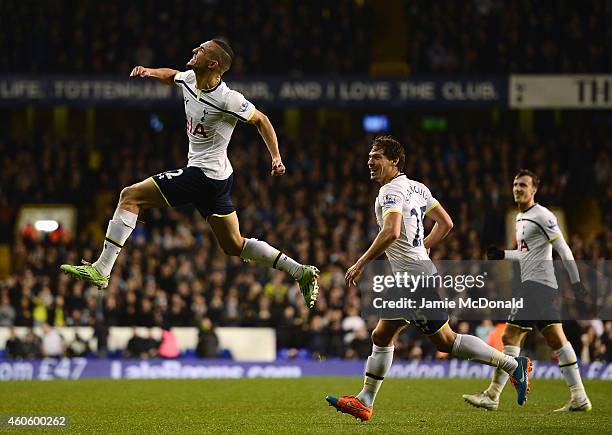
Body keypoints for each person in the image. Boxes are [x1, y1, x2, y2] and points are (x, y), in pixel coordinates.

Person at [60, 39, 319, 308]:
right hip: (219, 179)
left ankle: (102, 269)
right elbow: (172, 75)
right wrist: (149, 71)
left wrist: (276, 158)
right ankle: (300, 271)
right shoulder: (189, 80)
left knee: (130, 196)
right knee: (233, 245)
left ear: (213, 63)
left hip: (202, 176)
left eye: (201, 49)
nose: (195, 50)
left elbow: (261, 120)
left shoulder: (228, 99)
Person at [325, 136, 531, 422]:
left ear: (394, 160)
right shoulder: (418, 188)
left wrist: (361, 262)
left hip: (414, 280)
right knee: (386, 335)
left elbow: (392, 231)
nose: (369, 162)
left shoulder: (389, 192)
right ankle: (365, 401)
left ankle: (512, 364)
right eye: (369, 157)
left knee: (444, 341)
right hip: (416, 276)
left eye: (376, 157)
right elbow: (446, 223)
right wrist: (424, 249)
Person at [463, 169, 592, 412]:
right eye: (515, 185)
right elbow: (526, 253)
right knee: (557, 339)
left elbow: (563, 249)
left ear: (534, 190)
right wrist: (503, 254)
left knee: (510, 337)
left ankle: (492, 395)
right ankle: (579, 396)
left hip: (537, 286)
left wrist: (576, 282)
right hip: (539, 287)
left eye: (523, 185)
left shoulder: (543, 215)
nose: (518, 189)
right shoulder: (520, 218)